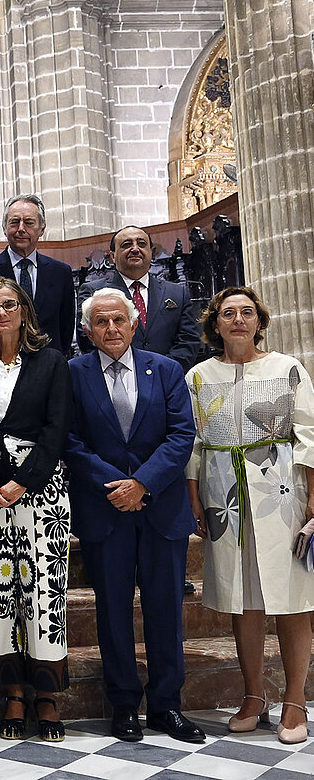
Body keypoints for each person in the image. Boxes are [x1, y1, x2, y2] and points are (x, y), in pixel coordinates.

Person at [64, 288, 204, 744]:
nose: (110, 329)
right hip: (106, 512)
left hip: (161, 509)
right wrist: (117, 487)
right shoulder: (73, 374)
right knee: (113, 613)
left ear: (134, 323)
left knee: (166, 612)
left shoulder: (164, 370)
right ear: (87, 330)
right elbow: (70, 441)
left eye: (118, 320)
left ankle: (167, 705)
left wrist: (143, 484)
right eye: (100, 322)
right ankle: (124, 704)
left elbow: (182, 433)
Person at [185, 286, 314, 744]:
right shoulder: (199, 376)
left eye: (246, 313)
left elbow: (308, 433)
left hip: (282, 492)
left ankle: (295, 700)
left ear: (259, 321)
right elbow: (194, 442)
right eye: (228, 314)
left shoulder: (287, 369)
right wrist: (195, 496)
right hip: (225, 496)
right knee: (245, 597)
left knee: (293, 596)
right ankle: (254, 694)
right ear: (214, 324)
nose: (237, 320)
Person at [0, 277, 72, 741]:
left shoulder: (51, 362)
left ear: (24, 310)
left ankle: (45, 694)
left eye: (10, 305)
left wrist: (21, 483)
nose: (2, 313)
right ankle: (11, 692)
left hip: (41, 490)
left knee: (43, 589)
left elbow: (57, 427)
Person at [0, 194, 76, 355]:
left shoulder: (60, 272)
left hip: (48, 366)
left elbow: (66, 326)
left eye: (29, 222)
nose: (21, 229)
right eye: (14, 222)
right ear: (4, 228)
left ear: (42, 229)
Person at [77, 225, 201, 371]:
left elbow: (188, 340)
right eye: (127, 245)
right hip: (116, 377)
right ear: (113, 256)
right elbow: (87, 338)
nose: (135, 249)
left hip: (167, 380)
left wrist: (163, 372)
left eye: (141, 244)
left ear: (151, 252)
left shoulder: (176, 293)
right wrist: (132, 372)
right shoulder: (94, 291)